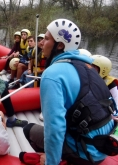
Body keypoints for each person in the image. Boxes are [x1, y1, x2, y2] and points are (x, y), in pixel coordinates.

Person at [23, 18, 117, 165]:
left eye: (46, 39)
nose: (41, 43)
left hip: (86, 153)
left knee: (28, 129)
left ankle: (55, 158)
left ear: (60, 45)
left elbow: (55, 127)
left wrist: (51, 162)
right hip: (102, 146)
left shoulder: (52, 74)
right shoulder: (89, 67)